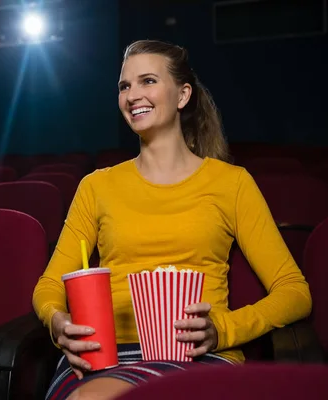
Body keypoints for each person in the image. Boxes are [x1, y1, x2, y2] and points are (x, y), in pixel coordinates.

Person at [32, 39, 312, 400]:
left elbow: (294, 291)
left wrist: (223, 330)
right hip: (104, 356)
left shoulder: (232, 183)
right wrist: (58, 322)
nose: (133, 95)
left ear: (182, 95)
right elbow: (50, 284)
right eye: (124, 86)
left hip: (200, 355)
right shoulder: (97, 186)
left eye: (147, 81)